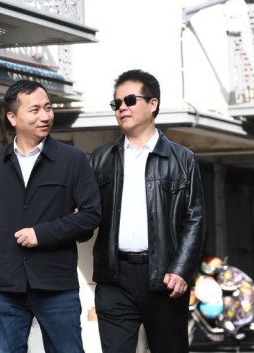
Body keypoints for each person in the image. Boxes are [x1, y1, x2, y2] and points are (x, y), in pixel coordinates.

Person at [0, 79, 101, 353]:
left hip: (56, 286)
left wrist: (41, 234)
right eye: (35, 110)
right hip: (6, 288)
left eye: (48, 108)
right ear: (12, 117)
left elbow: (91, 214)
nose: (45, 116)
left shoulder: (72, 160)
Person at [89, 69, 206, 353]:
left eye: (130, 100)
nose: (122, 108)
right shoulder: (101, 158)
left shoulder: (182, 159)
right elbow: (85, 212)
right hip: (114, 278)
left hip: (165, 278)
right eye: (117, 103)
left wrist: (182, 270)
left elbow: (194, 218)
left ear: (153, 104)